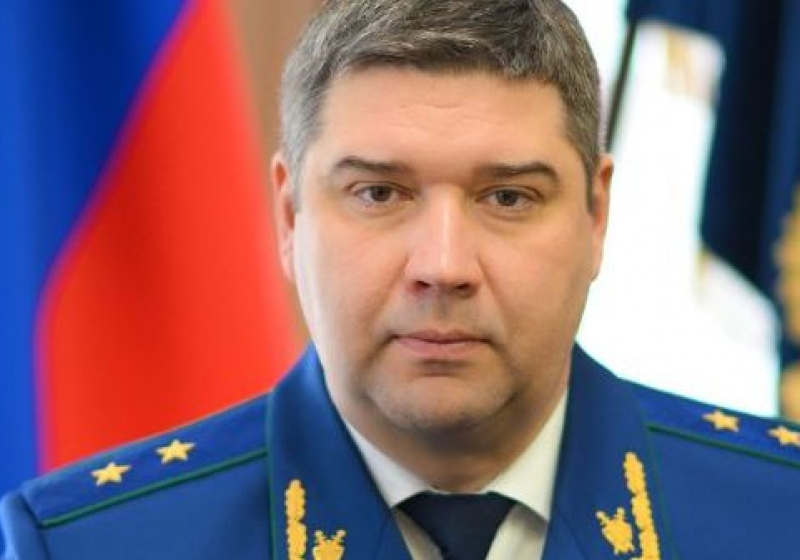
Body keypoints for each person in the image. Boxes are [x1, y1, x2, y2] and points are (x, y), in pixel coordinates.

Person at [3, 0, 800, 558]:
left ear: (596, 216)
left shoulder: (782, 515)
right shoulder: (90, 544)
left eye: (508, 197)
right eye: (379, 194)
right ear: (289, 215)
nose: (443, 266)